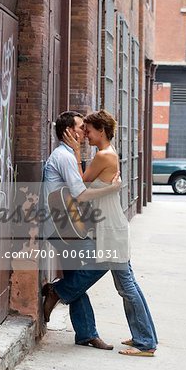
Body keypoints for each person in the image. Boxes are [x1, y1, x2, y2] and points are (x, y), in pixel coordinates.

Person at [62, 110, 158, 356]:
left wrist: (74, 151)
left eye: (89, 131)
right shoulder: (105, 154)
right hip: (111, 225)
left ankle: (145, 343)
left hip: (111, 228)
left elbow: (80, 182)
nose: (85, 135)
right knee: (128, 283)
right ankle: (145, 336)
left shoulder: (104, 156)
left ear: (101, 131)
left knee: (126, 285)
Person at [42, 111, 121, 350]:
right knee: (104, 261)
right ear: (68, 131)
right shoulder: (64, 157)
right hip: (63, 228)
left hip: (66, 225)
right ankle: (56, 291)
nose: (84, 131)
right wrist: (111, 189)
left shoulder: (68, 155)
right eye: (80, 127)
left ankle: (86, 333)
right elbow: (81, 193)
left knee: (77, 279)